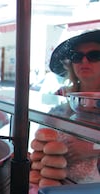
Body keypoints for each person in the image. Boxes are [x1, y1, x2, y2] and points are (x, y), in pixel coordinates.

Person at [33, 29, 100, 184]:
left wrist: (92, 148)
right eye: (77, 57)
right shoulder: (59, 96)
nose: (84, 62)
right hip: (56, 184)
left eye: (94, 55)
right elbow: (42, 135)